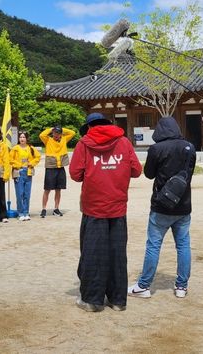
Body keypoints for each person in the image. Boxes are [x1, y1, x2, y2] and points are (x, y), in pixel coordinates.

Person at [70, 113, 142, 312]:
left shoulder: (83, 144)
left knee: (93, 252)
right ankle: (118, 300)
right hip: (118, 207)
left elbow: (75, 174)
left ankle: (92, 300)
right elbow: (136, 170)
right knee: (117, 253)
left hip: (94, 207)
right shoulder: (124, 142)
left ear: (90, 126)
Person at [128, 117, 195, 299]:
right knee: (183, 245)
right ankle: (182, 286)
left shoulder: (156, 149)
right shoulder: (189, 147)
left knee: (153, 245)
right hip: (183, 203)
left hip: (161, 204)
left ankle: (144, 285)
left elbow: (149, 174)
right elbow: (188, 173)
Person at [40, 125, 75, 218]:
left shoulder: (64, 139)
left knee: (58, 189)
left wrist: (62, 129)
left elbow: (72, 133)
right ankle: (44, 208)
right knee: (47, 189)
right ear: (52, 133)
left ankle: (56, 208)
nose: (56, 134)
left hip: (60, 168)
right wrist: (51, 129)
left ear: (61, 134)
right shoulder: (48, 140)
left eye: (58, 133)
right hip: (50, 167)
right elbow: (41, 135)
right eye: (55, 132)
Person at [10, 131, 41, 221]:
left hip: (28, 172)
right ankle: (20, 213)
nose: (22, 139)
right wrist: (18, 165)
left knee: (27, 194)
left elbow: (38, 157)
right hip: (18, 171)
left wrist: (31, 163)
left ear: (27, 138)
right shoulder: (15, 148)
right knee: (20, 193)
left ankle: (26, 212)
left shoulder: (31, 148)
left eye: (24, 137)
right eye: (20, 137)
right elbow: (10, 159)